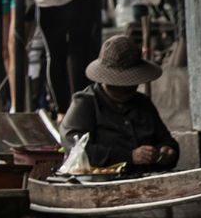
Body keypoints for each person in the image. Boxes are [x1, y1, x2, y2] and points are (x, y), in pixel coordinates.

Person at [62, 34, 179, 170]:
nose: (126, 88)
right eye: (119, 84)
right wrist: (129, 156)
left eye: (131, 83)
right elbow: (75, 148)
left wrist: (168, 150)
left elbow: (165, 139)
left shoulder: (143, 103)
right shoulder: (85, 104)